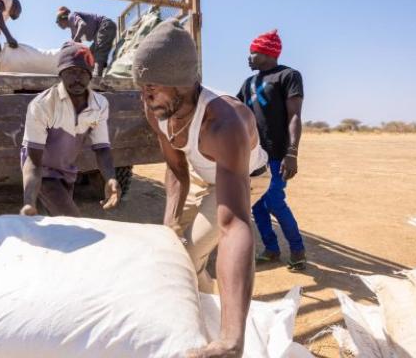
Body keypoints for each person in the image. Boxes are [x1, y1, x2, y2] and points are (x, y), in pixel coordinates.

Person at [135, 19, 258, 358]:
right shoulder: (156, 108)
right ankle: (206, 312)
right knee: (169, 248)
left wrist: (234, 341)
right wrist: (169, 221)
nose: (146, 95)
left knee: (188, 252)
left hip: (243, 176)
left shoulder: (224, 123)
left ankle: (227, 338)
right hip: (205, 173)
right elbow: (176, 169)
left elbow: (234, 224)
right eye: (142, 86)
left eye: (154, 86)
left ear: (183, 83)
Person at [19, 42, 120, 217]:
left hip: (67, 170)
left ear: (90, 76)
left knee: (59, 224)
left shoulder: (99, 104)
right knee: (72, 220)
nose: (77, 78)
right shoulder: (43, 104)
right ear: (61, 74)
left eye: (83, 72)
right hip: (43, 170)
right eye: (71, 71)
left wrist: (110, 178)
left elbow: (102, 148)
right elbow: (33, 160)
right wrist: (29, 202)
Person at [237, 29, 307, 271]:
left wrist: (292, 152)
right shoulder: (249, 83)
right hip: (253, 156)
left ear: (267, 53)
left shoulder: (288, 76)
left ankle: (297, 250)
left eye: (253, 52)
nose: (248, 57)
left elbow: (294, 116)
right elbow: (235, 112)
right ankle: (271, 249)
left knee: (275, 201)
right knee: (256, 204)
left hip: (277, 154)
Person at [56, 6, 117, 80]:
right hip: (99, 33)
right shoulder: (73, 31)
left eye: (58, 22)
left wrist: (75, 40)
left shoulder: (71, 16)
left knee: (99, 52)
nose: (57, 24)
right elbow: (77, 46)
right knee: (89, 55)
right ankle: (91, 75)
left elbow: (82, 25)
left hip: (104, 25)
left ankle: (97, 77)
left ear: (62, 18)